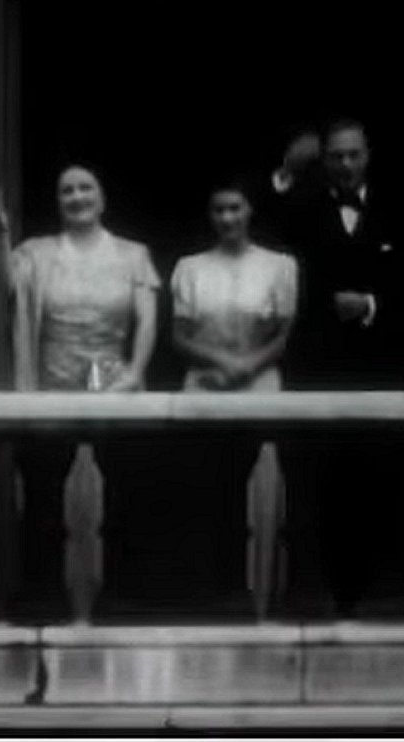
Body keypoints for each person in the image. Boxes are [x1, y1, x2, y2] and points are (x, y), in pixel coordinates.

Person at [274, 118, 404, 618]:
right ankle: (317, 596)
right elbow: (269, 262)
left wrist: (370, 306)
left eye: (354, 155)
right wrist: (287, 171)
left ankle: (384, 595)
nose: (345, 165)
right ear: (323, 161)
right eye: (336, 156)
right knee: (320, 491)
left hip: (384, 375)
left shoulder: (399, 212)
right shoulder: (300, 212)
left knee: (382, 489)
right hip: (317, 376)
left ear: (368, 156)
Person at [7, 164, 160, 618]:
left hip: (116, 385)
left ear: (102, 197)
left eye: (85, 188)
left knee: (124, 494)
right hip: (51, 385)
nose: (77, 197)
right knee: (42, 496)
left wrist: (134, 372)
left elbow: (147, 319)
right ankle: (43, 597)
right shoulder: (35, 253)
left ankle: (121, 597)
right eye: (67, 190)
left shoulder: (133, 254)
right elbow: (6, 287)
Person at [169, 178, 298, 613]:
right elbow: (180, 335)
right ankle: (209, 592)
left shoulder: (279, 266)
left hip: (260, 386)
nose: (227, 218)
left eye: (235, 208)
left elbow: (284, 334)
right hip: (205, 385)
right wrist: (222, 364)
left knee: (259, 491)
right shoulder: (190, 267)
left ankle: (260, 593)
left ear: (249, 211)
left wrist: (248, 365)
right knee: (207, 490)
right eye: (219, 210)